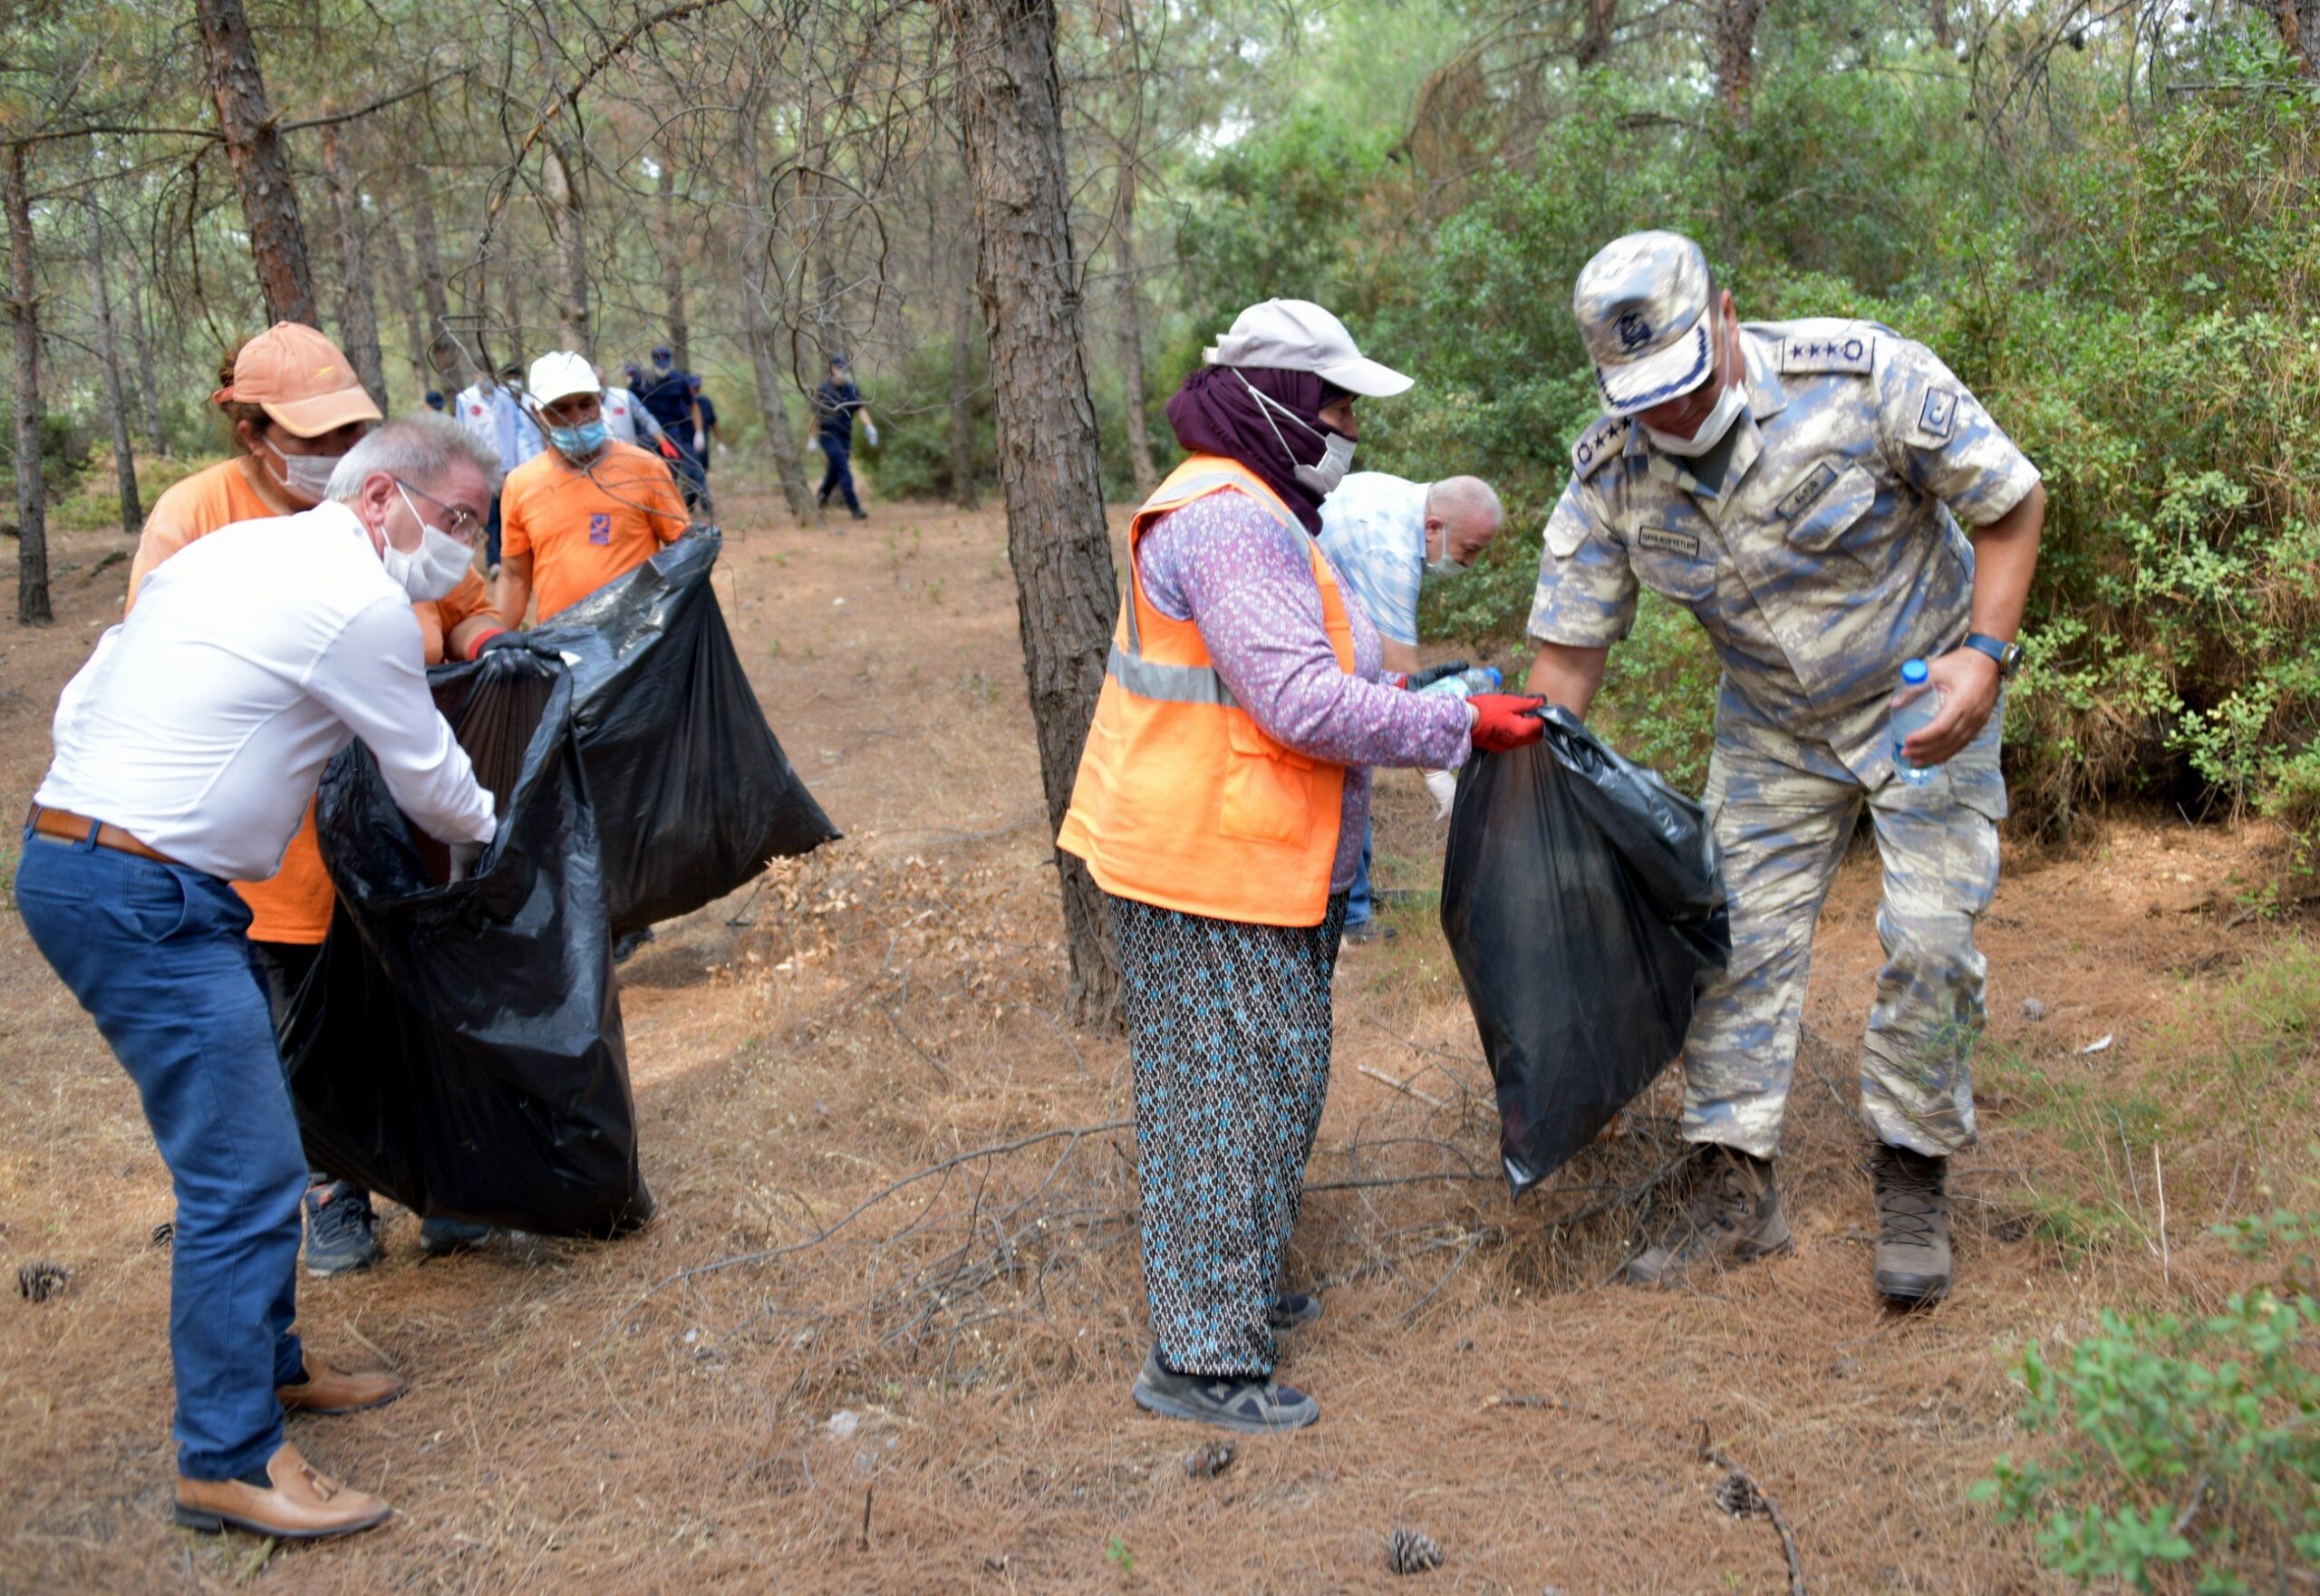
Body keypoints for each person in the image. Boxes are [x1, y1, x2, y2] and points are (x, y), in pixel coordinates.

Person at [1055, 299, 1548, 1434]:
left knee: (1258, 1093)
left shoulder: (1266, 509)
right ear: (1275, 400)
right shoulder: (1230, 520)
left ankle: (1227, 1298)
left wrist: (1438, 702)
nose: (1349, 427)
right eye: (1334, 404)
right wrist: (1456, 725)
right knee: (1222, 1102)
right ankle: (1202, 1363)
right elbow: (1297, 702)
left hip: (1244, 855)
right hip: (1205, 864)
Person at [1524, 232, 2044, 1304]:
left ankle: (1911, 1169)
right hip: (1770, 724)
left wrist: (1983, 659)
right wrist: (1537, 805)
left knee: (1932, 938)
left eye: (1684, 382)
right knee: (1732, 947)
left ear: (1724, 314)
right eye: (1642, 398)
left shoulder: (1861, 380)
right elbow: (1566, 662)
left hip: (1922, 690)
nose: (1669, 417)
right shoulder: (1610, 473)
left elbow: (2010, 501)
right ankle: (1732, 1189)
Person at [15, 417, 502, 1539]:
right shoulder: (359, 601)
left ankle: (273, 1362)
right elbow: (426, 776)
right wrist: (501, 832)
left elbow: (87, 693)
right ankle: (227, 1459)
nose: (466, 550)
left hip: (99, 862)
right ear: (381, 499)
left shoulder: (236, 553)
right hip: (144, 892)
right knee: (242, 1175)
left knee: (254, 1146)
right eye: (459, 519)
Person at [129, 333, 509, 1278]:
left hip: (405, 826)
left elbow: (468, 603)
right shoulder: (200, 515)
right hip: (281, 848)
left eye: (350, 427)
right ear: (251, 431)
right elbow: (159, 658)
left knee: (420, 1008)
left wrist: (484, 645)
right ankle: (337, 1194)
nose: (336, 447)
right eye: (314, 431)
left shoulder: (399, 509)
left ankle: (446, 1185)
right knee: (310, 1026)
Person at [1316, 471, 1505, 942]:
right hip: (1309, 652)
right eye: (1470, 551)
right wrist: (1440, 775)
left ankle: (1349, 898)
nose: (1472, 563)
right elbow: (1399, 694)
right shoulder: (1391, 554)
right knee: (1350, 754)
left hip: (1321, 632)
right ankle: (1351, 917)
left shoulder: (1398, 503)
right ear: (1434, 528)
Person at [128, 323, 382, 599]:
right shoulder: (192, 515)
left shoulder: (388, 503)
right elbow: (147, 634)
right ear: (254, 438)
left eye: (349, 427)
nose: (334, 450)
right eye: (309, 436)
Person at [494, 350, 688, 626]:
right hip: (560, 647)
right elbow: (514, 576)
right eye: (561, 409)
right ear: (538, 412)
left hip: (637, 645)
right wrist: (494, 643)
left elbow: (685, 555)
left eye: (586, 404)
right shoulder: (521, 484)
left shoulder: (646, 469)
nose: (578, 417)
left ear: (599, 399)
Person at [636, 343, 708, 508]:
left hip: (672, 431)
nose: (663, 367)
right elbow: (630, 402)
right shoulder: (642, 379)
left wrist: (699, 432)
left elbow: (693, 406)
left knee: (672, 468)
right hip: (648, 432)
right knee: (647, 466)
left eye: (665, 362)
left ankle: (668, 504)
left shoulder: (679, 380)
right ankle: (648, 502)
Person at [810, 354, 875, 520]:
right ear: (833, 370)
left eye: (846, 369)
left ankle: (821, 499)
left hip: (845, 436)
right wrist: (812, 438)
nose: (844, 373)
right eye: (841, 369)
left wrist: (869, 427)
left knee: (835, 471)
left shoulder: (851, 389)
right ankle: (854, 508)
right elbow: (815, 417)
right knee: (844, 469)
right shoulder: (823, 390)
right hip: (828, 435)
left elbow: (860, 409)